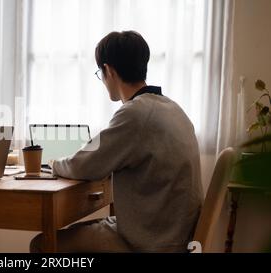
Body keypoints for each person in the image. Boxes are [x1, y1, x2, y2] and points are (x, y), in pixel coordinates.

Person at [30, 31, 203, 253]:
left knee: (41, 245)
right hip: (175, 234)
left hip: (153, 241)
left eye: (100, 73)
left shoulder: (135, 113)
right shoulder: (172, 108)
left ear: (108, 70)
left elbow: (84, 165)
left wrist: (52, 163)